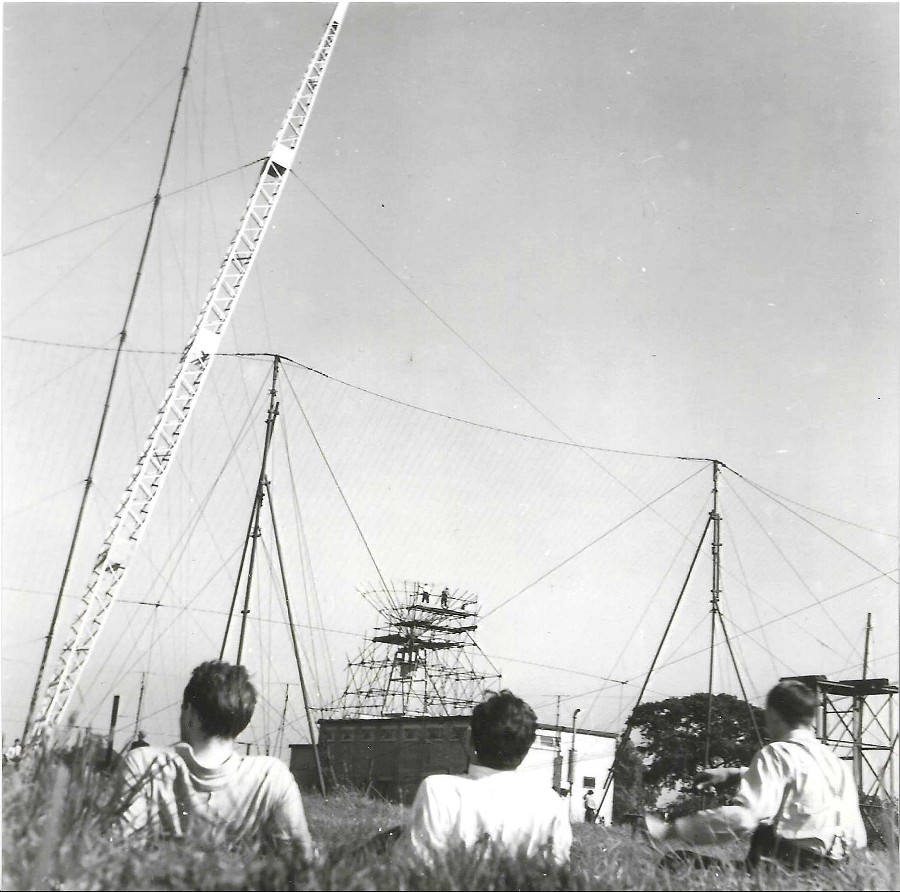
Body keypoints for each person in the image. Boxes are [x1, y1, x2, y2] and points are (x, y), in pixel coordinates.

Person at [643, 679, 867, 870]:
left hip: (786, 869)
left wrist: (673, 830)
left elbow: (742, 819)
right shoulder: (837, 764)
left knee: (676, 861)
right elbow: (858, 838)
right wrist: (734, 774)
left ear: (773, 715)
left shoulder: (776, 753)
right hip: (835, 871)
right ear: (811, 718)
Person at [116, 660, 314, 853]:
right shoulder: (271, 775)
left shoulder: (145, 763)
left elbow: (119, 844)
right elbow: (299, 857)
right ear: (243, 722)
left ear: (189, 713)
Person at [404, 690, 572, 865]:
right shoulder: (550, 801)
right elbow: (558, 869)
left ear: (469, 739)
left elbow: (414, 863)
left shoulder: (437, 789)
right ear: (527, 747)